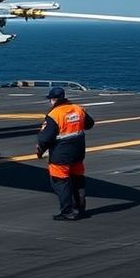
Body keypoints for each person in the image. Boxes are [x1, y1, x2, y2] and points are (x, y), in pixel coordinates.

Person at [36, 86, 94, 220]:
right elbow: (90, 124)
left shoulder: (54, 114)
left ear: (53, 100)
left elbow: (45, 138)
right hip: (78, 153)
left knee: (60, 182)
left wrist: (40, 150)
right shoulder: (78, 109)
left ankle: (67, 211)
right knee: (78, 179)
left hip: (61, 155)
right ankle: (80, 208)